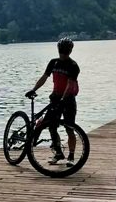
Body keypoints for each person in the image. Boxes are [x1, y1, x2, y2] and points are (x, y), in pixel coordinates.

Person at [25, 37, 80, 165]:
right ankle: (58, 153)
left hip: (68, 99)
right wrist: (34, 89)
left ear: (70, 51)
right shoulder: (53, 62)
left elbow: (70, 84)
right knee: (51, 126)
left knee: (69, 128)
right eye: (61, 51)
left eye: (65, 51)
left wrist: (63, 99)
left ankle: (71, 157)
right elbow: (44, 77)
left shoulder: (73, 66)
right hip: (55, 97)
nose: (63, 54)